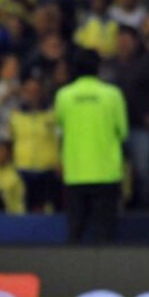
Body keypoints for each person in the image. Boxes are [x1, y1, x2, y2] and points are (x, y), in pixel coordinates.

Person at [55, 49, 128, 243]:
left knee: (75, 231)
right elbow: (123, 132)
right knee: (105, 233)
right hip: (107, 173)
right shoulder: (113, 95)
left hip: (75, 173)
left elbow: (59, 131)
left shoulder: (64, 96)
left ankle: (72, 272)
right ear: (98, 68)